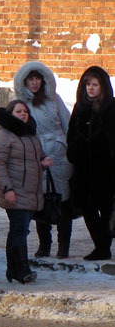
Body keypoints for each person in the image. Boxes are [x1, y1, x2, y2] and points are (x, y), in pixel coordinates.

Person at [13, 62, 73, 258]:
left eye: (37, 78)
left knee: (63, 201)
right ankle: (44, 244)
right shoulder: (21, 104)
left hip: (58, 155)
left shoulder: (54, 100)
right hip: (35, 154)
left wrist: (67, 148)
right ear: (24, 81)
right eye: (30, 79)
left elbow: (67, 125)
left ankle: (63, 246)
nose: (34, 83)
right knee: (41, 201)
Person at [0, 100, 51, 283]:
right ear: (10, 114)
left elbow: (33, 161)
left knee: (20, 231)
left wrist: (43, 163)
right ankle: (22, 270)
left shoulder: (31, 135)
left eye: (25, 111)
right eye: (18, 111)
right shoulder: (3, 136)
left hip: (30, 192)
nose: (23, 114)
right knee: (19, 230)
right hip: (14, 192)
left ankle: (13, 270)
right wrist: (7, 188)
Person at [66, 66, 115, 261]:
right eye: (88, 84)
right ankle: (102, 245)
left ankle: (103, 247)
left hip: (106, 169)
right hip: (84, 170)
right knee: (87, 208)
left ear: (103, 86)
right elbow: (71, 133)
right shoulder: (80, 107)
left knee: (106, 208)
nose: (91, 88)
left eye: (95, 84)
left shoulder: (111, 108)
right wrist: (73, 151)